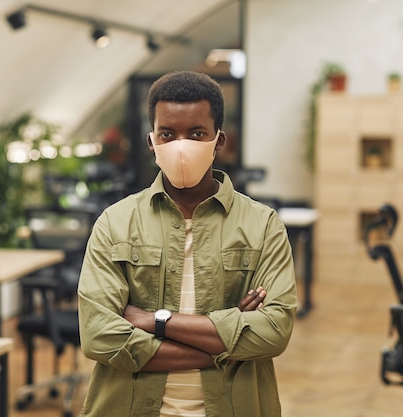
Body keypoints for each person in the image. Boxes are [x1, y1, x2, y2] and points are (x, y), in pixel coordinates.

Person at [77, 70, 297, 417]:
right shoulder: (115, 223)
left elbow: (273, 332)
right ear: (152, 142)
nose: (181, 146)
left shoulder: (262, 226)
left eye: (197, 134)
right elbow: (98, 336)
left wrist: (154, 320)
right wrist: (227, 339)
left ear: (219, 141)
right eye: (167, 134)